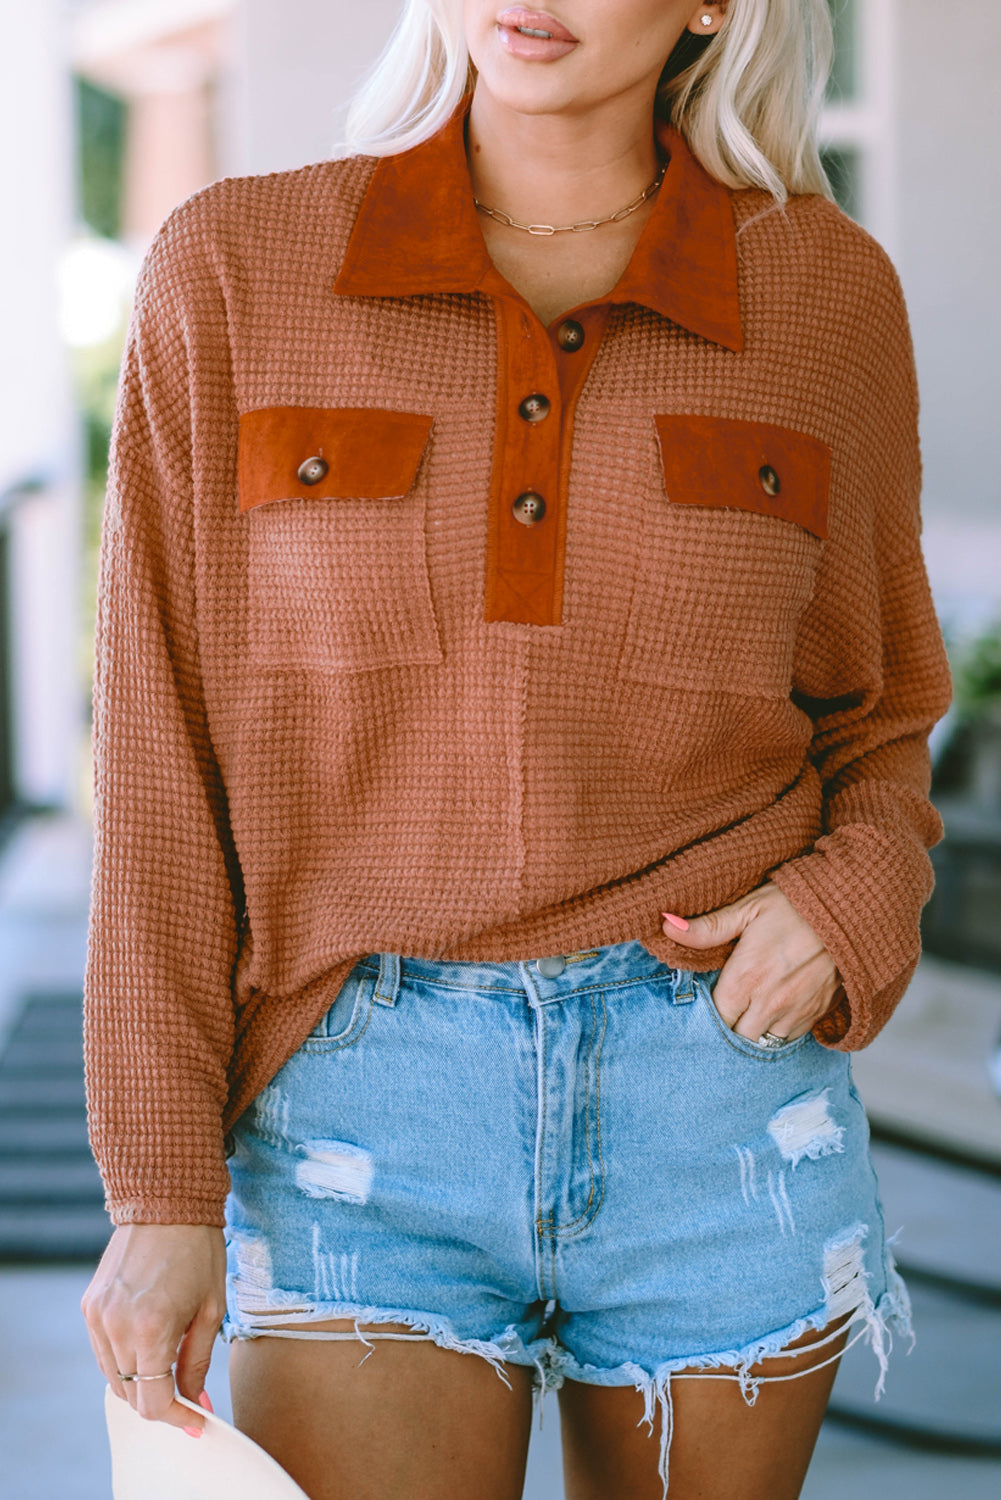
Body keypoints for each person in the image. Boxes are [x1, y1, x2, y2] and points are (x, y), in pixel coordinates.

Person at [81, 2, 953, 1496]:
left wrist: (847, 902)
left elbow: (878, 723)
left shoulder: (823, 293)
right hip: (357, 1103)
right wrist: (160, 1185)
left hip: (717, 1098)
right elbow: (159, 760)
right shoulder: (231, 269)